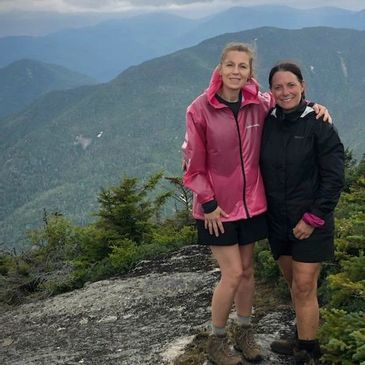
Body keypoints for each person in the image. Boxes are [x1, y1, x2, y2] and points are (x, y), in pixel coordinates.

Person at [181, 42, 330, 365]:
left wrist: (317, 107)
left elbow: (289, 102)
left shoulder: (258, 104)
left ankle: (245, 334)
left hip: (251, 206)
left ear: (250, 72)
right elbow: (192, 164)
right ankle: (217, 340)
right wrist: (207, 202)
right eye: (230, 65)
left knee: (248, 273)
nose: (236, 71)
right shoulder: (199, 109)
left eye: (243, 66)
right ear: (219, 68)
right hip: (216, 209)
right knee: (232, 274)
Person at [260, 61, 344, 364]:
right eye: (278, 87)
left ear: (303, 85)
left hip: (312, 221)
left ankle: (308, 351)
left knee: (305, 284)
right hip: (278, 222)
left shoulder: (319, 124)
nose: (285, 92)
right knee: (293, 282)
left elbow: (334, 178)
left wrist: (312, 219)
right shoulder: (267, 121)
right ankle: (302, 336)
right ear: (271, 91)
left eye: (291, 85)